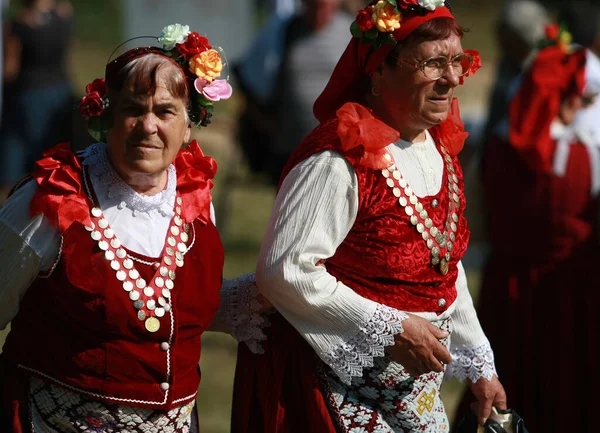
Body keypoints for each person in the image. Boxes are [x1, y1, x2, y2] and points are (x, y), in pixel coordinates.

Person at [232, 1, 506, 432]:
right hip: (331, 392)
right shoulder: (340, 159)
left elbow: (443, 269)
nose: (452, 79)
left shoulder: (439, 149)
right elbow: (284, 270)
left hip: (414, 397)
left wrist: (479, 364)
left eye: (456, 62)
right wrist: (392, 328)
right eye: (433, 63)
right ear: (379, 71)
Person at [0, 23, 267, 432]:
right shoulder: (51, 201)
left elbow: (164, 304)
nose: (147, 126)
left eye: (164, 111)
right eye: (132, 109)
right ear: (107, 116)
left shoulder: (196, 200)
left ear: (188, 125)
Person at [455, 9, 600, 433]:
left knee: (512, 380)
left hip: (507, 285)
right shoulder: (585, 156)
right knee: (571, 389)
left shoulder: (496, 149)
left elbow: (477, 223)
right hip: (573, 291)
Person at [234, 0, 352, 185]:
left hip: (336, 152)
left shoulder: (351, 32)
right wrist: (267, 124)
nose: (320, 11)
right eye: (315, 5)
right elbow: (249, 82)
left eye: (326, 5)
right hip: (289, 152)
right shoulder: (282, 30)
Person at [0, 0, 75, 191]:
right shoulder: (64, 17)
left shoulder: (19, 24)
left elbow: (10, 68)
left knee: (16, 144)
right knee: (53, 149)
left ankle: (14, 196)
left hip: (29, 91)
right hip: (61, 88)